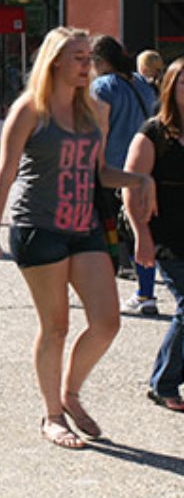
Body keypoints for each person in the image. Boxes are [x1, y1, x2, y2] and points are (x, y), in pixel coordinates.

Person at [0, 27, 152, 449]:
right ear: (54, 60)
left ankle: (70, 394)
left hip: (85, 226)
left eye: (88, 59)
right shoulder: (30, 110)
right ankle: (52, 415)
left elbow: (99, 174)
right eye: (78, 58)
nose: (86, 67)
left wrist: (139, 178)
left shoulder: (95, 111)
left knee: (108, 321)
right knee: (55, 326)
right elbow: (6, 172)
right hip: (39, 229)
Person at [124, 55, 184, 412]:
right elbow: (131, 185)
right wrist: (141, 235)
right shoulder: (153, 133)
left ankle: (165, 378)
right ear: (169, 88)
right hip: (167, 236)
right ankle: (162, 383)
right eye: (183, 83)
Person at [90, 35, 158, 315]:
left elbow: (99, 130)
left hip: (112, 168)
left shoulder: (102, 87)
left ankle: (103, 294)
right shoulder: (142, 83)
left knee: (106, 234)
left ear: (100, 62)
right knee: (141, 230)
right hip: (145, 165)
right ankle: (146, 293)